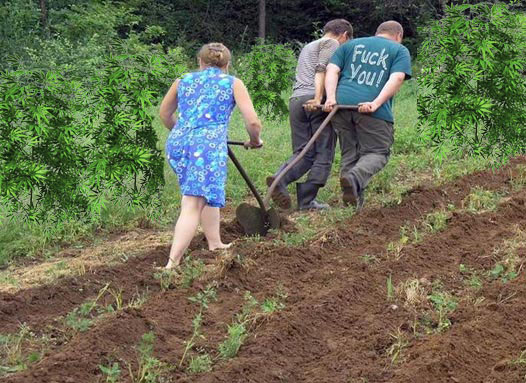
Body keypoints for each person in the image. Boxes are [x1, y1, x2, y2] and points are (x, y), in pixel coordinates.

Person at [159, 42, 263, 269]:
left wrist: (185, 134)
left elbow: (165, 114)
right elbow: (253, 122)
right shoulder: (233, 83)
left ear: (200, 62)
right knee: (193, 203)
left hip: (178, 143)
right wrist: (255, 141)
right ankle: (172, 264)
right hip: (206, 148)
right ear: (227, 64)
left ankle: (215, 243)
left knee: (204, 191)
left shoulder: (183, 80)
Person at [324, 20, 412, 210]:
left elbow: (332, 70)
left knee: (350, 153)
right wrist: (375, 103)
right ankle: (354, 180)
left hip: (341, 106)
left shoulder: (350, 45)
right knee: (378, 152)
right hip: (371, 110)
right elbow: (397, 77)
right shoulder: (399, 50)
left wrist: (330, 98)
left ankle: (352, 205)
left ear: (378, 32)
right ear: (399, 36)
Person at [266, 19, 352, 210]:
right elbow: (322, 69)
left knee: (303, 151)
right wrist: (319, 97)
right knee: (324, 152)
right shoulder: (332, 43)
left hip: (296, 100)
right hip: (315, 101)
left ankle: (279, 179)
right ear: (344, 35)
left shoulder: (309, 46)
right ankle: (307, 201)